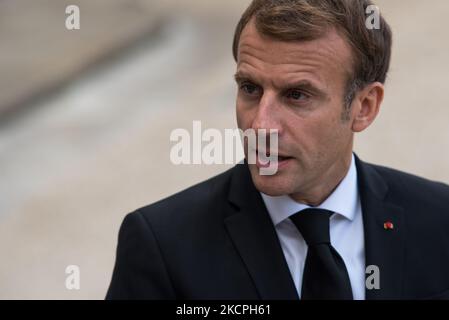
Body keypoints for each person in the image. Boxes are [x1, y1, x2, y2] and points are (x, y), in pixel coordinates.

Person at [106, 0, 449, 300]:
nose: (260, 126)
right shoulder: (163, 247)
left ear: (364, 107)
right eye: (250, 88)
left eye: (296, 95)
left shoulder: (439, 221)